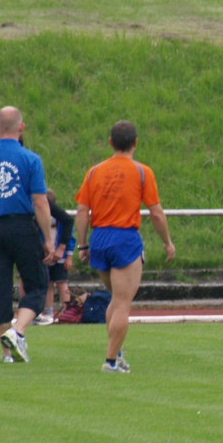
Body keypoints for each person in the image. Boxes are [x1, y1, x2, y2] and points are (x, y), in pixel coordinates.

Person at [73, 119, 176, 372]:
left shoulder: (95, 171)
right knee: (122, 303)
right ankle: (111, 361)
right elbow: (156, 213)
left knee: (115, 299)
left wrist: (83, 245)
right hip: (124, 238)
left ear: (111, 142)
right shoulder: (142, 172)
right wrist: (167, 242)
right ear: (136, 143)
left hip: (100, 238)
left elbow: (82, 211)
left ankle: (116, 353)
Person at [0, 105, 55, 364]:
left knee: (0, 290)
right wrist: (48, 238)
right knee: (38, 285)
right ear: (21, 127)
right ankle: (18, 332)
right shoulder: (30, 159)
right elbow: (40, 202)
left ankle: (7, 353)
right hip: (22, 227)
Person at [37, 191, 75, 324]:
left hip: (60, 256)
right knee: (48, 283)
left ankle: (68, 309)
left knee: (62, 282)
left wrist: (69, 256)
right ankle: (48, 311)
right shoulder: (39, 219)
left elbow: (71, 238)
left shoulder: (62, 220)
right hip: (46, 256)